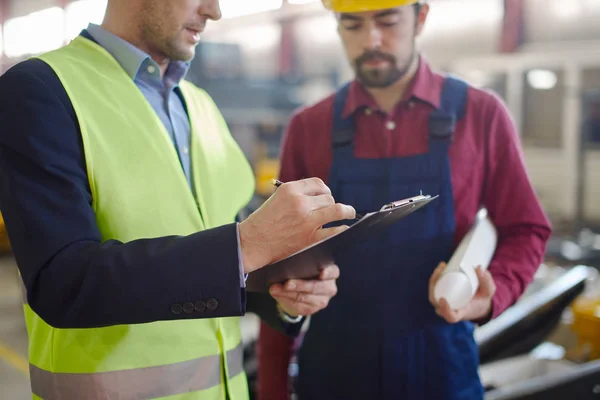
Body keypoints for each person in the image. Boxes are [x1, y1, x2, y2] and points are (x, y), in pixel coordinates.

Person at [0, 1, 357, 399]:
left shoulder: (201, 105)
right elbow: (63, 283)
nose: (215, 11)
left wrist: (290, 288)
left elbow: (232, 266)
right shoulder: (40, 91)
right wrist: (246, 245)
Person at [256, 0, 553, 399]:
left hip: (442, 368)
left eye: (387, 21)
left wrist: (489, 295)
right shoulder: (311, 127)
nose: (371, 40)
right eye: (352, 25)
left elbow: (525, 228)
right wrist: (272, 390)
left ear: (422, 17)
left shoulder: (479, 115)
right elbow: (280, 264)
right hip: (335, 372)